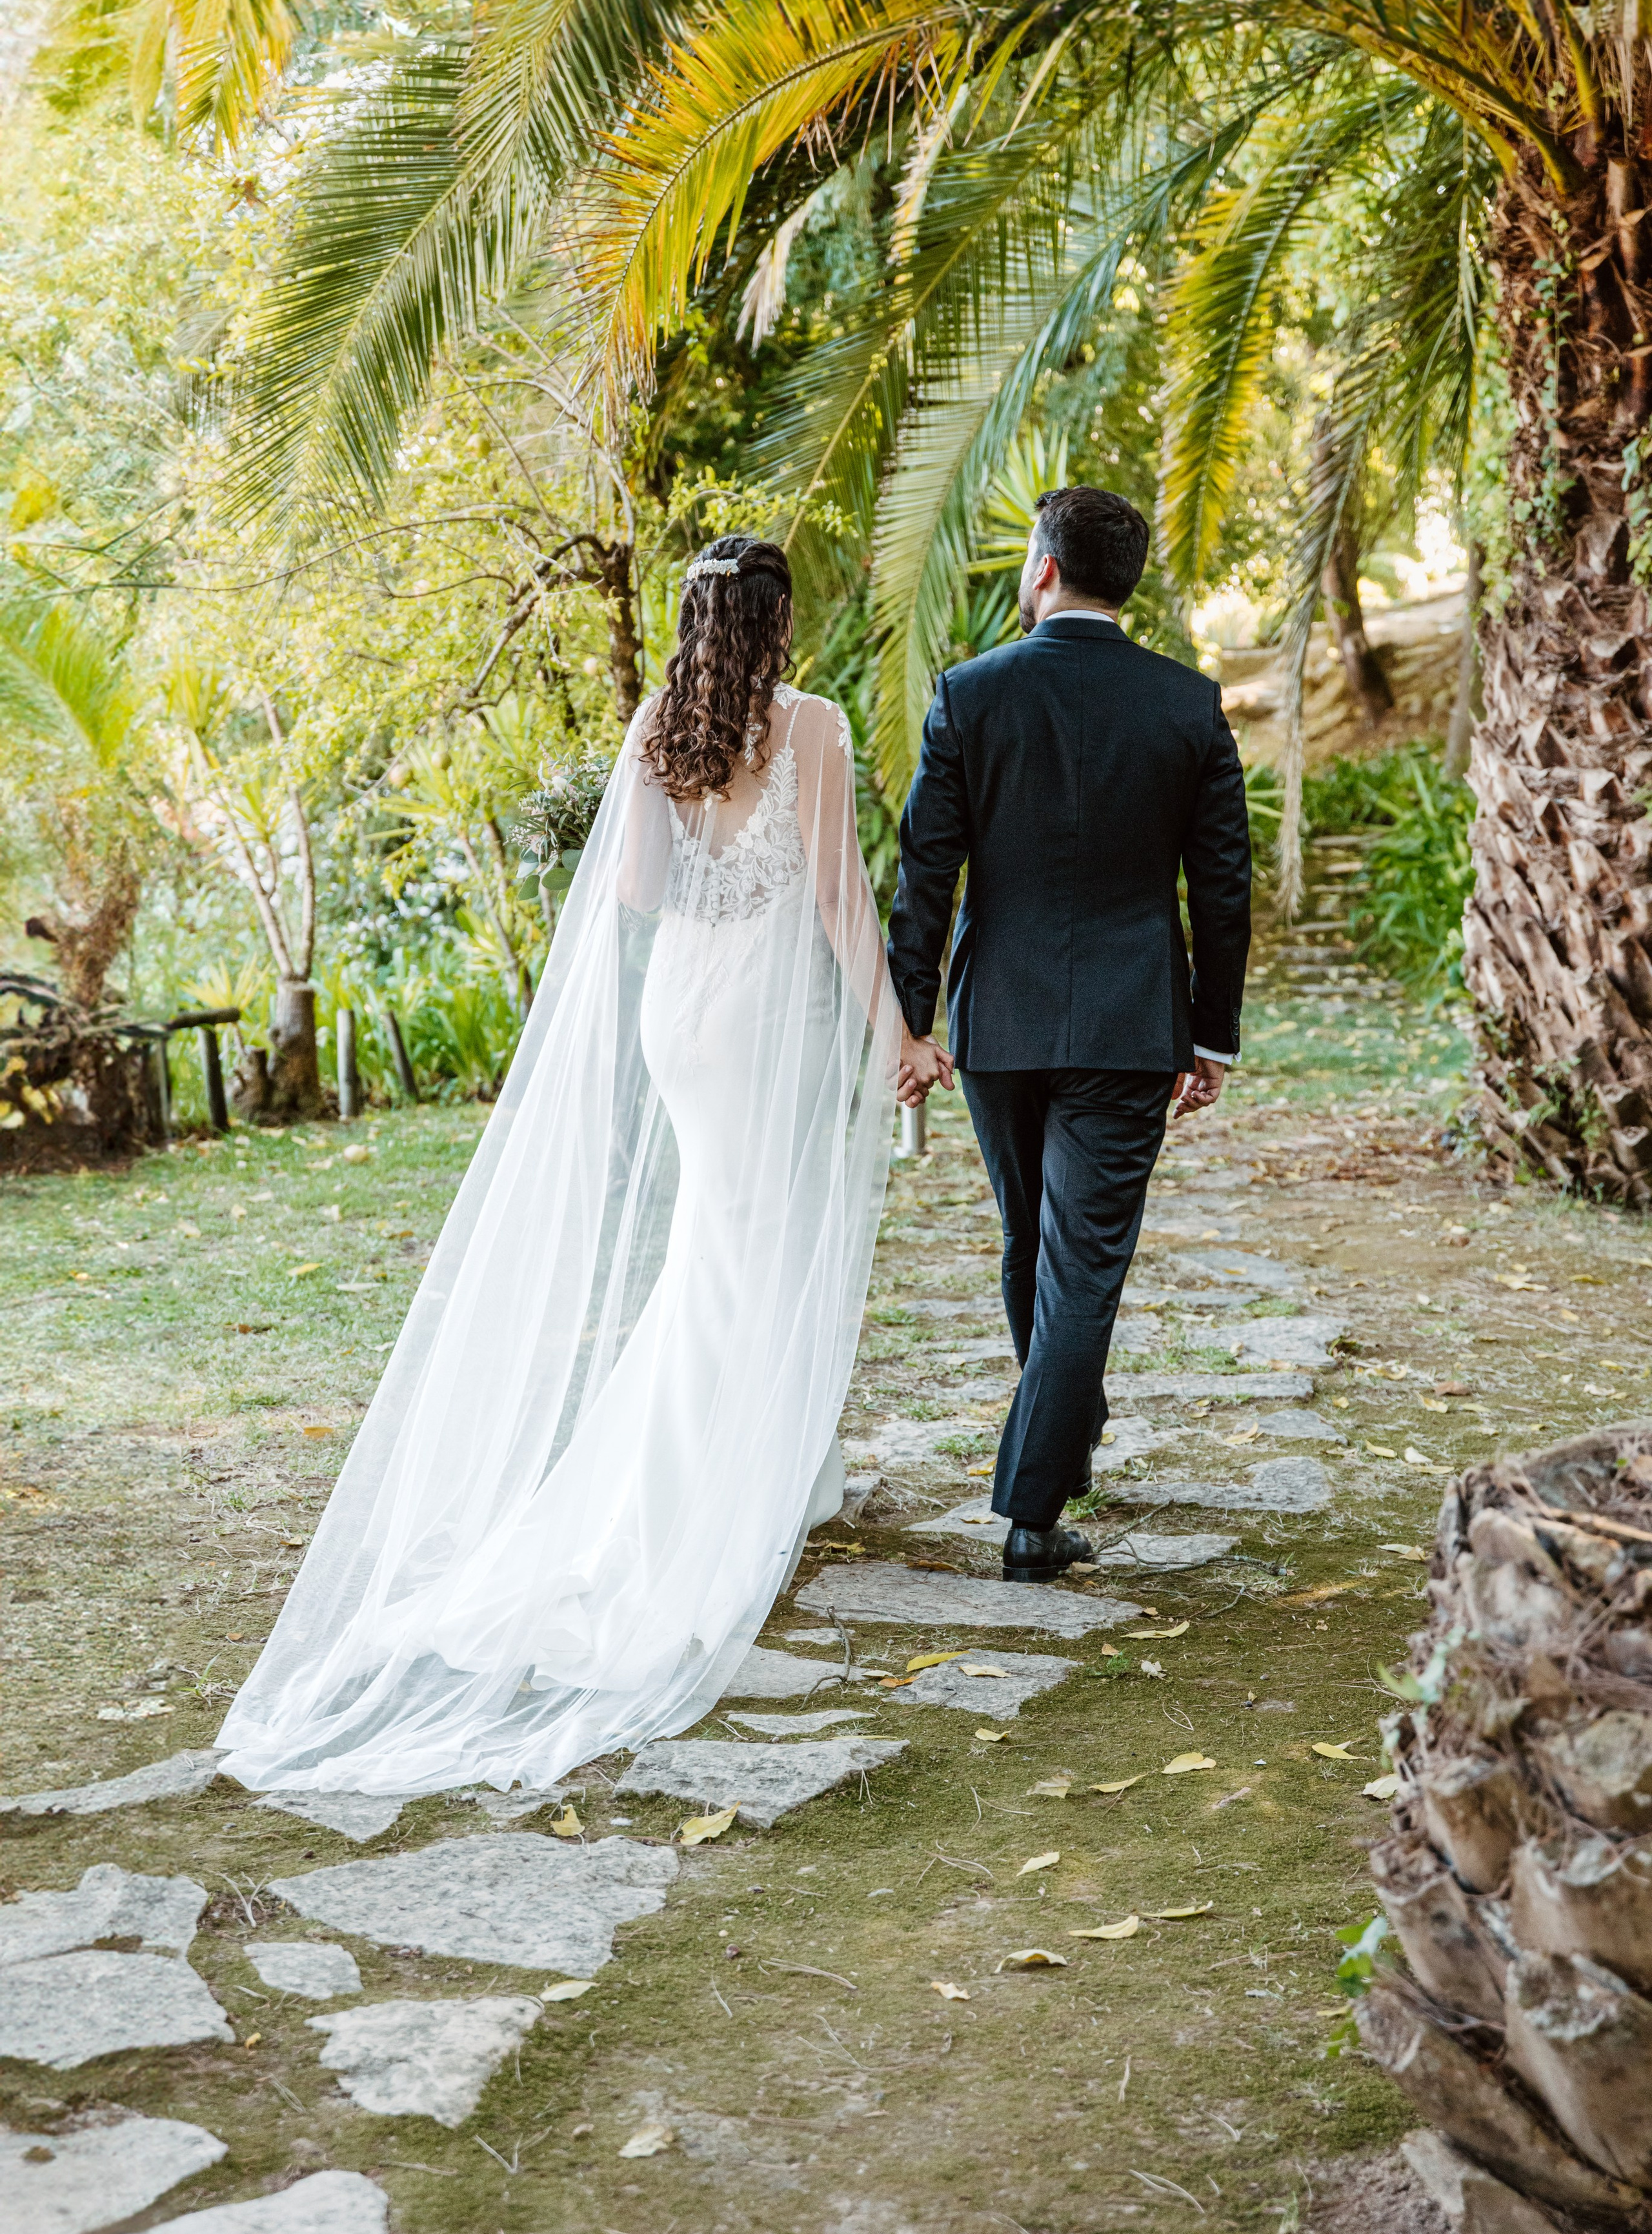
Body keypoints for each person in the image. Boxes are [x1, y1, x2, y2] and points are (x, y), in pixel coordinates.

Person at [217, 536, 933, 1795]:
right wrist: (896, 1036)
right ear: (775, 621)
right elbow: (834, 896)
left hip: (681, 1016)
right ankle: (726, 1489)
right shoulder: (808, 725)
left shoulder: (660, 726)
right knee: (756, 1246)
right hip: (762, 1012)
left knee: (720, 1247)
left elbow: (642, 890)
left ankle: (771, 1471)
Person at [887, 485, 1251, 1582]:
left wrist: (910, 1019)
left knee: (1033, 1245)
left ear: (1043, 570)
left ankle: (1050, 1457)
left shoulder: (970, 694)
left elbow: (924, 878)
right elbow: (1223, 885)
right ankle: (1038, 1505)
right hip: (1130, 1022)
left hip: (999, 1019)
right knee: (1075, 1260)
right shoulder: (1187, 704)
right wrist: (1213, 1033)